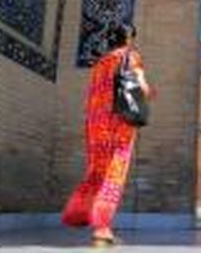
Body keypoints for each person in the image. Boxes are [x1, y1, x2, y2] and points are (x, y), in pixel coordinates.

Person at [62, 23, 155, 247]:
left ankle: (79, 213)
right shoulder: (130, 57)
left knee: (97, 169)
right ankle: (102, 228)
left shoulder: (100, 63)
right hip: (119, 122)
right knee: (114, 172)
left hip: (95, 122)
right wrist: (149, 92)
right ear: (129, 39)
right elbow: (142, 88)